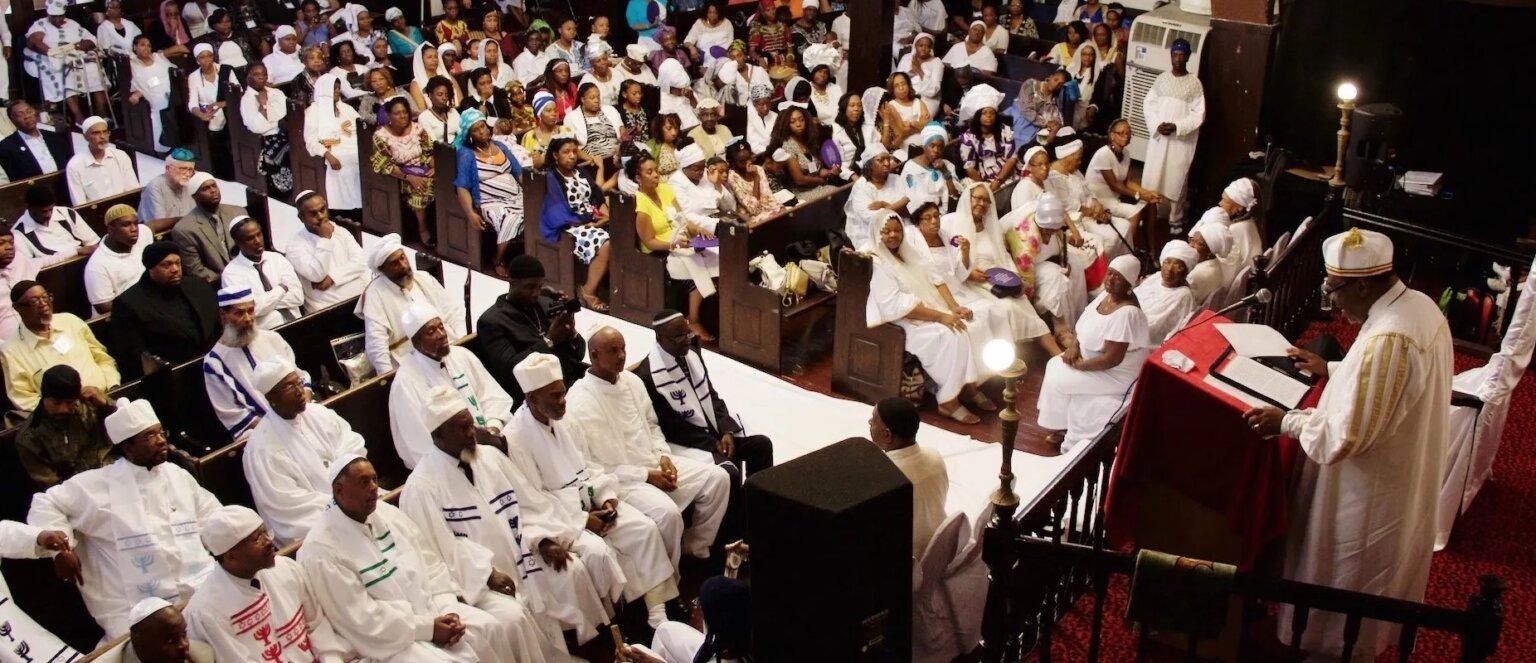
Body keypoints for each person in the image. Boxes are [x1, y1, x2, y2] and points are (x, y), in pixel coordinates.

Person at [1240, 230, 1452, 661]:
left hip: (1366, 494)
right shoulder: (1418, 306)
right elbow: (1385, 386)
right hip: (1396, 473)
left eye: (1333, 289)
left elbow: (1345, 436)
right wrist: (1333, 366)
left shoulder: (1390, 337)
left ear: (1361, 283)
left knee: (1342, 594)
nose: (1331, 302)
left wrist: (1287, 422)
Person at [400, 385, 623, 648]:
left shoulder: (490, 458)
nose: (472, 434)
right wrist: (485, 574)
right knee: (514, 615)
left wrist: (543, 540)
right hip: (479, 580)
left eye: (471, 425)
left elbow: (527, 505)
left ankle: (603, 647)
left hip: (521, 555)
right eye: (462, 429)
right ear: (438, 434)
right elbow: (437, 552)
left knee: (571, 571)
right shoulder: (422, 487)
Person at [301, 456, 551, 662]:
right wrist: (427, 628)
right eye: (364, 482)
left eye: (375, 479)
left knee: (493, 627)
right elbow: (362, 620)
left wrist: (447, 610)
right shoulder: (322, 550)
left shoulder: (387, 514)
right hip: (390, 641)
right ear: (338, 490)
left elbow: (430, 564)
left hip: (433, 611)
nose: (374, 488)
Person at [507, 353, 682, 628]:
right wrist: (582, 519)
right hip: (560, 519)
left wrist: (607, 497)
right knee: (599, 554)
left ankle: (657, 613)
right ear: (532, 400)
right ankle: (623, 622)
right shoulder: (515, 439)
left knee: (644, 529)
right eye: (555, 397)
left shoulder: (565, 419)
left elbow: (588, 466)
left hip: (591, 501)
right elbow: (532, 499)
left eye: (563, 393)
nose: (563, 401)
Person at [28, 398, 222, 639]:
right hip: (134, 607)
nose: (161, 440)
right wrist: (60, 549)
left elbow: (214, 517)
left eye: (161, 432)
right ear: (127, 447)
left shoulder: (177, 475)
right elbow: (46, 502)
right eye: (149, 437)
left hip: (197, 587)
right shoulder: (96, 485)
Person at [567, 326, 732, 562]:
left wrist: (664, 457)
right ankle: (671, 577)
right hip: (624, 480)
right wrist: (647, 475)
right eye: (613, 351)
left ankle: (694, 549)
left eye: (623, 349)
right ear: (594, 355)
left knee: (718, 479)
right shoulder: (581, 401)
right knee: (669, 516)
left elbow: (652, 425)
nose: (622, 356)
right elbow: (598, 465)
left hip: (654, 460)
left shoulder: (632, 381)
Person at [183, 505, 351, 660]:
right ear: (231, 555)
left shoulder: (286, 568)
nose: (269, 542)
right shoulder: (206, 612)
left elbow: (317, 625)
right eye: (257, 539)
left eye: (266, 532)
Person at [864, 212, 987, 423]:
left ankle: (968, 386)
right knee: (952, 335)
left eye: (897, 230)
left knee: (973, 323)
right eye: (887, 231)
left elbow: (935, 278)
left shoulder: (905, 252)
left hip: (926, 309)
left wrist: (952, 308)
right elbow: (894, 304)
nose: (894, 235)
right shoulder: (877, 262)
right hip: (901, 320)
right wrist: (940, 317)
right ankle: (948, 401)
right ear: (877, 234)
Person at [638, 311, 777, 481]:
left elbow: (710, 395)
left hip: (714, 430)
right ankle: (740, 506)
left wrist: (727, 430)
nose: (688, 339)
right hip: (687, 441)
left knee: (761, 446)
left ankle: (756, 501)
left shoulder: (691, 352)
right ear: (660, 338)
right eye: (680, 337)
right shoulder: (648, 375)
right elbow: (671, 427)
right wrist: (712, 443)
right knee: (729, 471)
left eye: (688, 333)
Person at [242, 359, 364, 544]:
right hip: (317, 529)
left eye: (298, 382)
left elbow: (352, 445)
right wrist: (343, 503)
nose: (300, 391)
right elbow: (288, 505)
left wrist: (351, 489)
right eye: (289, 387)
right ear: (271, 398)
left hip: (357, 500)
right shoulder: (260, 449)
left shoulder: (318, 413)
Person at [1036, 254, 1150, 448]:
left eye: (1118, 277)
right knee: (1054, 364)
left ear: (1129, 283)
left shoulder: (1128, 313)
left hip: (1115, 375)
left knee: (1059, 379)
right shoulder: (1108, 296)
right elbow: (1084, 324)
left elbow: (1112, 360)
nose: (1110, 279)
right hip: (1094, 361)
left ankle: (1062, 428)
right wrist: (1074, 346)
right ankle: (1062, 424)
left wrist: (1080, 365)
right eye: (1110, 273)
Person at [926, 191, 1059, 356]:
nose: (981, 203)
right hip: (970, 281)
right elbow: (946, 257)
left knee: (1023, 302)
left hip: (998, 277)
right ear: (968, 198)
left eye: (986, 200)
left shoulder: (990, 226)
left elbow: (1003, 256)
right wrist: (968, 273)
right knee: (1008, 307)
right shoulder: (951, 222)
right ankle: (1010, 359)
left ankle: (1057, 356)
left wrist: (1015, 278)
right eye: (977, 198)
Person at [389, 303, 514, 468]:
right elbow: (420, 443)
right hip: (454, 463)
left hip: (494, 438)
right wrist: (471, 448)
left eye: (441, 326)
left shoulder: (462, 355)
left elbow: (492, 396)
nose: (442, 335)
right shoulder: (406, 384)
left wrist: (492, 430)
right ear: (416, 342)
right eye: (431, 332)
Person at [630, 154, 722, 340]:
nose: (656, 175)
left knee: (718, 258)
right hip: (662, 250)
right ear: (638, 178)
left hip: (683, 241)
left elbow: (683, 219)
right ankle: (693, 320)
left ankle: (713, 315)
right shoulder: (641, 205)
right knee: (695, 273)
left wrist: (699, 230)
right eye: (650, 172)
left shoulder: (665, 190)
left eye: (655, 170)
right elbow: (648, 241)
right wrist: (673, 244)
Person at [476, 255, 588, 404]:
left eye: (539, 287)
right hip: (535, 396)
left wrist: (571, 331)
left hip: (568, 382)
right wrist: (549, 341)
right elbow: (511, 370)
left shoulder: (545, 304)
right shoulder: (492, 322)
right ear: (512, 282)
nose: (536, 293)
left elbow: (578, 354)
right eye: (529, 287)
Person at [202, 286, 303, 440]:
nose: (248, 318)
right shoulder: (214, 362)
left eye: (251, 311)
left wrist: (305, 412)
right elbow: (233, 414)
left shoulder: (272, 338)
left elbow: (299, 376)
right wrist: (281, 427)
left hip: (300, 415)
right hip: (264, 433)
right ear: (224, 316)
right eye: (240, 313)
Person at [356, 233, 466, 374]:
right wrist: (388, 379)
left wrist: (463, 342)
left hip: (448, 348)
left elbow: (453, 313)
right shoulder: (375, 294)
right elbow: (376, 346)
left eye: (402, 258)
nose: (402, 265)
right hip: (411, 363)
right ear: (383, 270)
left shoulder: (423, 278)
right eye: (394, 263)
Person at [3, 281, 120, 412]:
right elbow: (23, 398)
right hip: (64, 419)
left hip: (105, 400)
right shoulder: (10, 351)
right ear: (17, 307)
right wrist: (65, 408)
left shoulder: (70, 321)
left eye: (46, 297)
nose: (43, 304)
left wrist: (112, 386)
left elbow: (102, 358)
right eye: (35, 301)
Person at [108, 242, 221, 374]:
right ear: (151, 268)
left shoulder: (197, 285)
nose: (175, 269)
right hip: (173, 375)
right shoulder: (129, 303)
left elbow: (218, 325)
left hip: (216, 362)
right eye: (166, 265)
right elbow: (135, 353)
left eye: (178, 263)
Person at [13, 365, 117, 489]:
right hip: (75, 489)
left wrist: (107, 405)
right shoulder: (29, 438)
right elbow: (51, 485)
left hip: (112, 470)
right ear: (44, 398)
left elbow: (129, 428)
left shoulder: (89, 403)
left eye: (69, 402)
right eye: (56, 403)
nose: (63, 409)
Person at [869, 397, 948, 557]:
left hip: (909, 558)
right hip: (941, 543)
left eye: (874, 419)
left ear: (887, 435)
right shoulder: (935, 456)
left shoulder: (884, 476)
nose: (869, 421)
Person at [540, 137, 613, 311]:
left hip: (591, 217)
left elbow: (597, 195)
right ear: (555, 155)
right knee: (605, 242)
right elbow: (559, 209)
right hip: (570, 223)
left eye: (574, 151)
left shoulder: (580, 172)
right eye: (566, 152)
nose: (572, 156)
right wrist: (593, 222)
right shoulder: (551, 177)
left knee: (623, 233)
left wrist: (605, 215)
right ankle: (588, 290)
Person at [1141, 38, 1205, 234]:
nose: (1177, 59)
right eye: (1174, 55)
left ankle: (1175, 220)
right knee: (1153, 177)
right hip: (1159, 139)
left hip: (1180, 142)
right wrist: (1157, 125)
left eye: (1181, 55)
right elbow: (1149, 105)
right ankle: (1149, 214)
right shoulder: (1161, 79)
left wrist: (1177, 126)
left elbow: (1198, 114)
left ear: (1187, 57)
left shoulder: (1194, 83)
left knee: (1176, 179)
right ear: (1170, 56)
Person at [625, 575, 753, 663]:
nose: (698, 610)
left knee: (634, 652)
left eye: (701, 607)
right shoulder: (743, 639)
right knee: (665, 629)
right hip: (723, 648)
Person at [1010, 191, 1089, 333]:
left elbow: (1060, 239)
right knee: (1056, 277)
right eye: (1046, 231)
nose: (1048, 236)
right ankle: (1064, 328)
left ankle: (1080, 317)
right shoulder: (1026, 240)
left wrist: (1065, 263)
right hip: (1022, 268)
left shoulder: (1051, 220)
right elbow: (1026, 280)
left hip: (1045, 259)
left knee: (1076, 264)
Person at [24, 0, 110, 126]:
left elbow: (92, 40)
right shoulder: (41, 24)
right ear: (48, 14)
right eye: (54, 17)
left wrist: (76, 46)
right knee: (66, 72)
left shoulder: (72, 24)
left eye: (60, 16)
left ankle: (103, 116)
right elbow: (33, 41)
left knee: (94, 69)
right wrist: (54, 52)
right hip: (54, 59)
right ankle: (79, 118)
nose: (58, 20)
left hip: (77, 56)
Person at [285, 190, 370, 310]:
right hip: (327, 309)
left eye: (322, 210)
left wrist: (333, 278)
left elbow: (361, 261)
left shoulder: (340, 231)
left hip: (359, 299)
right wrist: (325, 239)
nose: (320, 216)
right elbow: (316, 275)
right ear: (301, 217)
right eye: (313, 213)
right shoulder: (294, 246)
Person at [370, 99, 438, 247]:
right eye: (397, 113)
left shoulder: (418, 129)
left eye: (405, 112)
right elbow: (384, 165)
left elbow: (429, 152)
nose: (403, 116)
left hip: (422, 169)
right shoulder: (381, 137)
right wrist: (409, 177)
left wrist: (435, 168)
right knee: (420, 189)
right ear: (389, 115)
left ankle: (442, 229)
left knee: (445, 183)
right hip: (400, 177)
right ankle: (423, 230)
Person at [1084, 118, 1158, 248]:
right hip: (1100, 200)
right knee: (1135, 212)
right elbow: (1115, 185)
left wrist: (1148, 193)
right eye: (1122, 133)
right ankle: (1127, 251)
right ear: (1112, 135)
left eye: (1129, 133)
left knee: (1151, 204)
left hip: (1115, 198)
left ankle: (1151, 250)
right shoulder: (1103, 154)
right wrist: (1139, 195)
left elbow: (1128, 182)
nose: (1126, 136)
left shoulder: (1126, 154)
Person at [221, 217, 304, 329]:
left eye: (259, 234)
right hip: (265, 333)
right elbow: (252, 310)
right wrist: (281, 289)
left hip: (298, 324)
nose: (257, 241)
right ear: (238, 242)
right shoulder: (231, 273)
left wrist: (263, 302)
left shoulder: (277, 259)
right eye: (250, 238)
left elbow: (298, 297)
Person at [305, 73, 366, 218]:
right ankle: (344, 210)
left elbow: (360, 125)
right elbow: (311, 140)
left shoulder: (345, 108)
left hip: (352, 143)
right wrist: (328, 155)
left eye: (338, 88)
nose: (338, 91)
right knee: (345, 160)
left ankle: (364, 205)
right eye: (334, 89)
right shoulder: (313, 111)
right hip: (332, 148)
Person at [172, 172, 240, 284]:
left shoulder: (237, 212)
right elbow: (195, 270)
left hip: (248, 273)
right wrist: (228, 280)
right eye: (205, 189)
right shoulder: (184, 229)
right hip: (217, 283)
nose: (213, 191)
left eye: (214, 186)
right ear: (194, 196)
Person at [1191, 177, 1262, 282]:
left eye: (1225, 201)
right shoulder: (1249, 222)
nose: (1220, 203)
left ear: (1240, 207)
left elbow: (1224, 265)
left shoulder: (1235, 230)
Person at [241, 63, 296, 197]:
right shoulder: (247, 100)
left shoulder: (276, 92)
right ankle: (283, 191)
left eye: (264, 74)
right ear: (248, 77)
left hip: (286, 132)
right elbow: (259, 127)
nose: (261, 77)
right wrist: (264, 106)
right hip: (267, 139)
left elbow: (286, 113)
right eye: (256, 74)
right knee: (284, 150)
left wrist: (272, 121)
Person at [105, 598, 217, 662]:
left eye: (184, 635)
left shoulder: (203, 656)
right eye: (170, 641)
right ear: (142, 646)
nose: (183, 645)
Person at [11, 184, 99, 261]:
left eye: (51, 209)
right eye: (43, 211)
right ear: (30, 208)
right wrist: (76, 252)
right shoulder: (18, 233)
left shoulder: (67, 212)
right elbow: (29, 265)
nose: (48, 215)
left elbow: (92, 242)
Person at [844, 148, 909, 251]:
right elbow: (871, 218)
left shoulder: (896, 179)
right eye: (881, 160)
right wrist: (897, 205)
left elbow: (908, 207)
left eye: (888, 159)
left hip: (900, 229)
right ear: (869, 164)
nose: (887, 163)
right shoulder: (861, 186)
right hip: (868, 235)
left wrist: (885, 205)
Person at [1136, 240, 1199, 344]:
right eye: (1167, 262)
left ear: (1185, 271)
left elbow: (1153, 327)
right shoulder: (1156, 277)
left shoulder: (1183, 295)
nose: (1169, 269)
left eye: (1177, 266)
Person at [65, 116, 138, 204]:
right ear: (85, 137)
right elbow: (79, 203)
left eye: (105, 132)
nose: (102, 136)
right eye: (96, 133)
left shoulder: (121, 156)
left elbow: (133, 190)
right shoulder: (75, 166)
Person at [564, 82, 623, 188]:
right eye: (592, 98)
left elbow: (622, 131)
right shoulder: (571, 118)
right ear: (582, 99)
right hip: (592, 163)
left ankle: (603, 189)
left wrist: (620, 149)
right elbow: (572, 147)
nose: (596, 100)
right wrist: (591, 158)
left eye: (598, 97)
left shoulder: (610, 110)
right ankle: (602, 191)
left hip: (616, 159)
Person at [957, 85, 1017, 189]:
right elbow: (969, 168)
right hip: (984, 176)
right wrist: (985, 188)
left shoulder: (1005, 130)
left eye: (992, 113)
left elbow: (1011, 158)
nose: (989, 116)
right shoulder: (968, 138)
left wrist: (998, 181)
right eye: (984, 113)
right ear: (977, 116)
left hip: (1008, 172)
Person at [0, 101, 74, 181]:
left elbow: (71, 163)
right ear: (12, 120)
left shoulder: (54, 137)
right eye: (20, 114)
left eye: (28, 111)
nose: (27, 116)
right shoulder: (6, 147)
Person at [127, 35, 177, 153]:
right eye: (142, 45)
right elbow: (138, 84)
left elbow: (173, 72)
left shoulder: (158, 57)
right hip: (154, 95)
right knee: (161, 104)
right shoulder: (132, 63)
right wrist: (137, 94)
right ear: (135, 47)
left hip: (172, 90)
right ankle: (163, 148)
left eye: (149, 45)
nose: (146, 48)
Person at [901, 123, 960, 213]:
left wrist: (945, 171)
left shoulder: (948, 166)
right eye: (932, 146)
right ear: (924, 146)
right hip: (921, 215)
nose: (936, 150)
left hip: (946, 214)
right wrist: (936, 202)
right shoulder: (911, 167)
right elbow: (914, 199)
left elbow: (955, 196)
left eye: (940, 147)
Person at [0, 228, 46, 341]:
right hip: (8, 346)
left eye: (11, 242)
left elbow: (47, 260)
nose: (9, 247)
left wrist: (76, 251)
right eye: (1, 243)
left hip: (41, 331)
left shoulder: (20, 260)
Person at [725, 139, 783, 226]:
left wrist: (779, 209)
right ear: (732, 162)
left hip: (767, 209)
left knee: (785, 212)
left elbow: (768, 196)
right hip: (750, 217)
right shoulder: (732, 178)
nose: (747, 163)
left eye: (748, 158)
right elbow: (752, 208)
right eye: (742, 161)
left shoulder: (758, 169)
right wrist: (756, 178)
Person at [138, 149, 199, 227]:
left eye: (190, 170)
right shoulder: (155, 188)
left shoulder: (191, 184)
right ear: (168, 168)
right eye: (182, 169)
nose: (187, 174)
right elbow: (159, 224)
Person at [1011, 69, 1067, 149]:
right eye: (1055, 80)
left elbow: (1056, 121)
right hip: (1017, 114)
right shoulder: (1031, 84)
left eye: (1060, 85)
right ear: (1050, 77)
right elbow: (1025, 109)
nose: (1055, 85)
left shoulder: (1053, 102)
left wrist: (1053, 125)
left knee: (1031, 139)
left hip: (1032, 125)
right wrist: (1045, 122)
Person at [894, 36, 942, 120]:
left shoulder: (937, 62)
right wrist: (912, 72)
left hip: (927, 99)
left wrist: (919, 70)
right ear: (915, 46)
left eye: (927, 46)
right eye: (921, 45)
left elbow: (934, 90)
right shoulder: (906, 58)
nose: (924, 49)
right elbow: (896, 79)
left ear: (931, 48)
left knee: (918, 119)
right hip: (905, 94)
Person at [1186, 222, 1232, 305]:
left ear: (1211, 251)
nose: (1191, 245)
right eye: (1192, 240)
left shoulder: (1195, 275)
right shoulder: (1214, 263)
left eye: (1198, 243)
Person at [685, 1, 735, 69]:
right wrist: (691, 47)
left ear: (719, 13)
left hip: (723, 55)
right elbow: (687, 41)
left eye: (715, 13)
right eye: (710, 12)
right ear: (706, 13)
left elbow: (731, 42)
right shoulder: (699, 23)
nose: (712, 15)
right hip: (704, 56)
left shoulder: (727, 23)